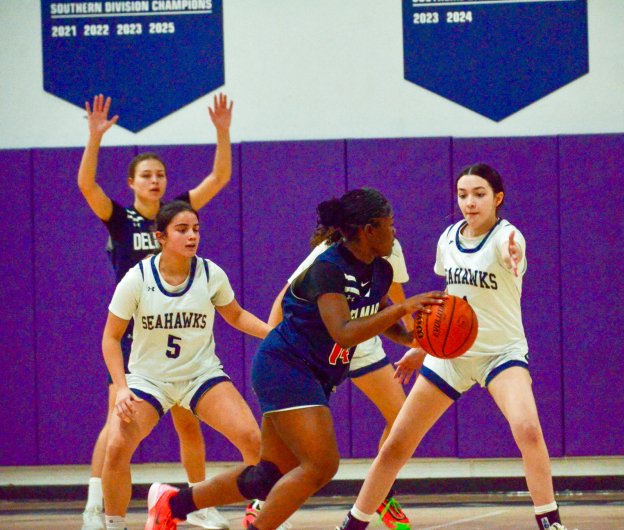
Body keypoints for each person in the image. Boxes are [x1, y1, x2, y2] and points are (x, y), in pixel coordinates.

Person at [143, 188, 446, 530]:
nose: (395, 232)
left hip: (314, 374)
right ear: (369, 230)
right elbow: (344, 332)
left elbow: (376, 310)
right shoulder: (328, 268)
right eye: (390, 225)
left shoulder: (381, 272)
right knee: (321, 465)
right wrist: (405, 307)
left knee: (266, 476)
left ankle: (173, 503)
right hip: (284, 366)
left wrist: (417, 338)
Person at [336, 164, 573, 530]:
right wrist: (423, 346)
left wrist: (516, 257)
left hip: (500, 353)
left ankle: (550, 522)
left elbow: (515, 255)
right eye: (463, 195)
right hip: (451, 355)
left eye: (479, 194)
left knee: (527, 429)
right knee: (397, 443)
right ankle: (353, 523)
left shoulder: (506, 238)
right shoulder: (448, 238)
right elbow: (451, 300)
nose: (470, 202)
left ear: (497, 199)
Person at [77, 93, 236, 529]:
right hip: (133, 332)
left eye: (160, 174)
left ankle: (199, 503)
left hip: (177, 329)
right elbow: (87, 187)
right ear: (131, 182)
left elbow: (220, 175)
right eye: (146, 175)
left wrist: (222, 132)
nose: (155, 181)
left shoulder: (177, 214)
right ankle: (97, 504)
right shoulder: (119, 218)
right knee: (117, 425)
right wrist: (94, 138)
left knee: (190, 423)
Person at [101, 201, 269, 530]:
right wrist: (121, 388)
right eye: (182, 230)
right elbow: (110, 337)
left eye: (196, 229)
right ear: (160, 237)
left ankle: (261, 513)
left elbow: (235, 315)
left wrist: (274, 334)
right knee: (118, 446)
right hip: (150, 380)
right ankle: (113, 522)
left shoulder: (210, 273)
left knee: (253, 438)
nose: (192, 236)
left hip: (199, 375)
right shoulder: (137, 279)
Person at [242, 237, 417, 529]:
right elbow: (286, 293)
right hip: (319, 344)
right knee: (292, 444)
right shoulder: (329, 253)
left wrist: (419, 338)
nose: (390, 226)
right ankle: (261, 502)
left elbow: (392, 295)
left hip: (361, 342)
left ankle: (380, 492)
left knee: (401, 419)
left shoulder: (390, 247)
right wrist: (276, 346)